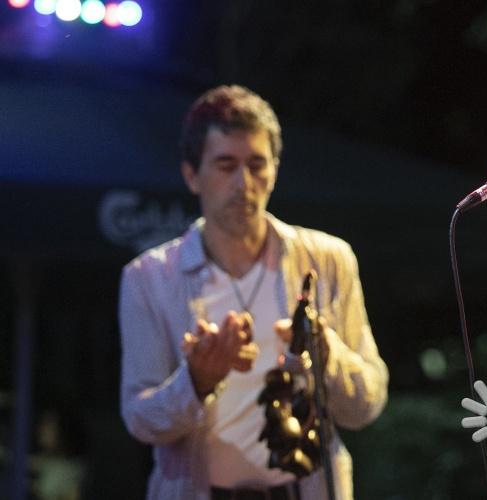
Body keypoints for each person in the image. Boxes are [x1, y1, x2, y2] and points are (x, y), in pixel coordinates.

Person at [118, 85, 388, 500]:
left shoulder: (327, 260)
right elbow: (140, 419)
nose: (244, 183)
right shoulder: (149, 278)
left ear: (274, 171)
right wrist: (197, 381)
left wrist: (325, 354)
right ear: (191, 175)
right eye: (225, 165)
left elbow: (367, 404)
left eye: (257, 165)